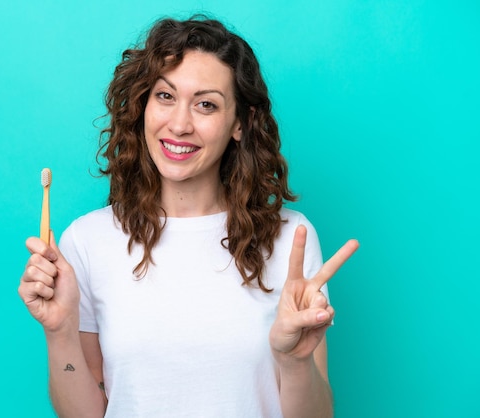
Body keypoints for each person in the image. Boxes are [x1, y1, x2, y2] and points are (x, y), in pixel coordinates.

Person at [19, 15, 358, 418]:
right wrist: (60, 334)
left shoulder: (291, 240)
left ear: (239, 123)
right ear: (144, 104)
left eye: (206, 104)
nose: (179, 125)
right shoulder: (88, 241)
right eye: (165, 96)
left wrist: (296, 360)